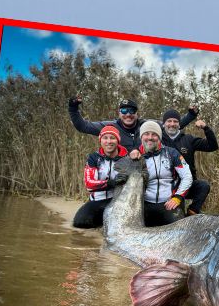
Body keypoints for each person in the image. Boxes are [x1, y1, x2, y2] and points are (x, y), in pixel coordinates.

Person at [68, 96, 198, 152]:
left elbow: (171, 126)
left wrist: (191, 115)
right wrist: (73, 108)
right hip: (120, 173)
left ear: (137, 113)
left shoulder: (147, 125)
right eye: (124, 110)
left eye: (132, 111)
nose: (128, 114)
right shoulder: (110, 127)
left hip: (144, 172)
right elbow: (82, 126)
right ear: (119, 112)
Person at [159, 108, 219, 214]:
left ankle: (192, 212)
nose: (172, 124)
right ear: (164, 124)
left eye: (175, 121)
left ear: (179, 124)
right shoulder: (157, 139)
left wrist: (206, 128)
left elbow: (212, 146)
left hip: (186, 184)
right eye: (169, 121)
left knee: (203, 186)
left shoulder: (188, 139)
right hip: (166, 185)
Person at [138, 120, 193, 227]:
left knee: (179, 231)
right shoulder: (136, 157)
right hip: (145, 204)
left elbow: (187, 176)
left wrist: (178, 197)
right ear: (141, 137)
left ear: (159, 137)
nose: (150, 137)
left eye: (154, 134)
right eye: (146, 134)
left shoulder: (172, 153)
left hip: (169, 203)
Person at [73, 125, 128, 229]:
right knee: (79, 222)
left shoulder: (126, 158)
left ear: (118, 140)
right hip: (97, 200)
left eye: (112, 138)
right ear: (100, 140)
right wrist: (111, 183)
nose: (109, 141)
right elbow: (89, 185)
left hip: (117, 201)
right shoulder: (94, 158)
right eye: (105, 138)